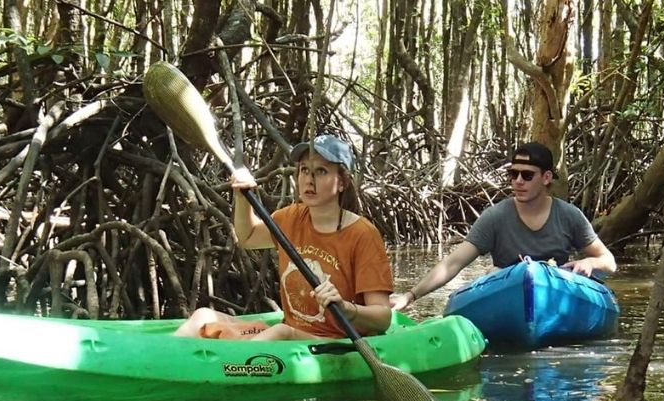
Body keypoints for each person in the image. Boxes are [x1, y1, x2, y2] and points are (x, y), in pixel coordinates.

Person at [175, 133, 394, 340]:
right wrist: (242, 196)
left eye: (321, 171)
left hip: (334, 341)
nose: (309, 180)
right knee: (204, 316)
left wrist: (346, 308)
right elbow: (248, 237)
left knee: (279, 332)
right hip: (290, 332)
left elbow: (383, 318)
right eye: (304, 170)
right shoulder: (291, 217)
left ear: (343, 183)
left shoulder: (362, 234)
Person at [391, 141, 616, 310]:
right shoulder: (495, 217)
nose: (518, 181)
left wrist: (589, 261)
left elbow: (609, 263)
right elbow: (453, 263)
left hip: (556, 294)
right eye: (513, 174)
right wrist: (410, 296)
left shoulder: (569, 215)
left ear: (546, 178)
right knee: (495, 272)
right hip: (506, 294)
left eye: (527, 175)